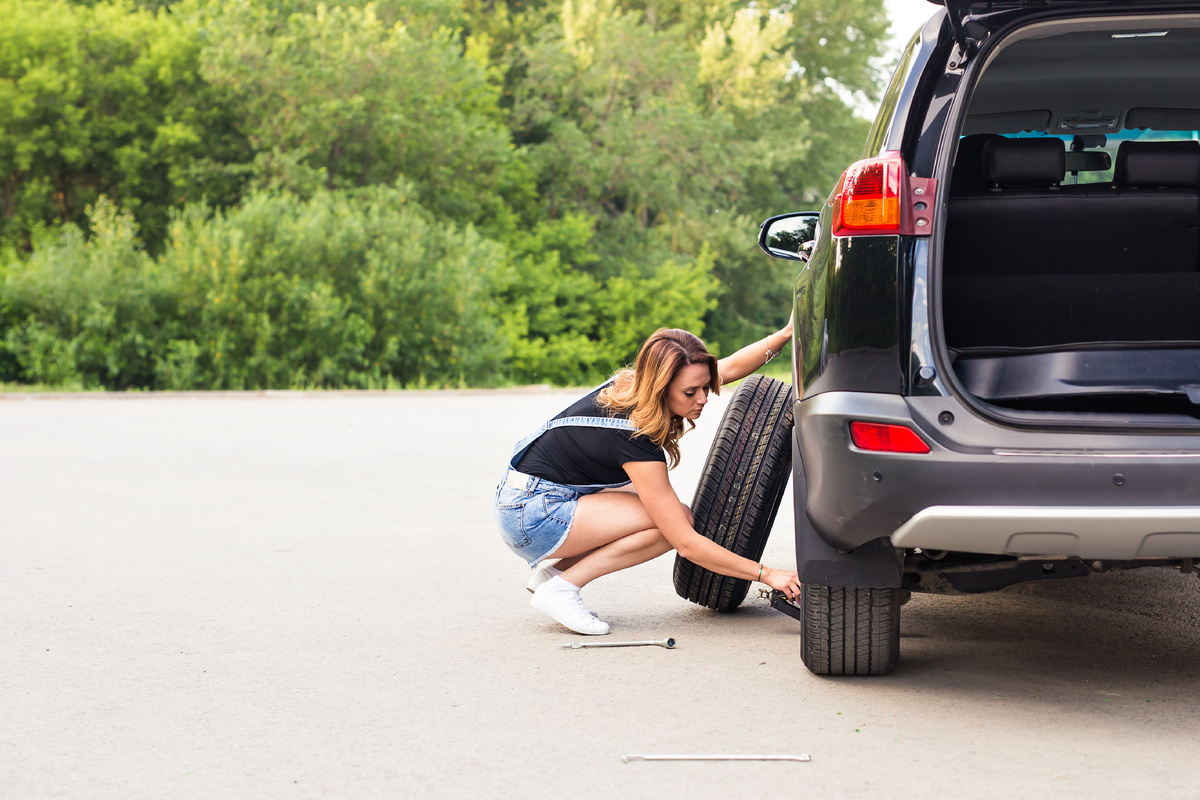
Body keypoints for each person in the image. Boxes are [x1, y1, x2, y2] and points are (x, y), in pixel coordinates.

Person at [494, 324, 802, 635]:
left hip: (532, 496)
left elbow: (730, 367)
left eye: (705, 388)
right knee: (672, 525)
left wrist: (786, 333)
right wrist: (768, 574)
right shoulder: (633, 437)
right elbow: (686, 544)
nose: (703, 399)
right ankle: (562, 588)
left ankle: (554, 575)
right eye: (690, 393)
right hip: (532, 514)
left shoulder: (634, 385)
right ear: (661, 387)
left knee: (668, 515)